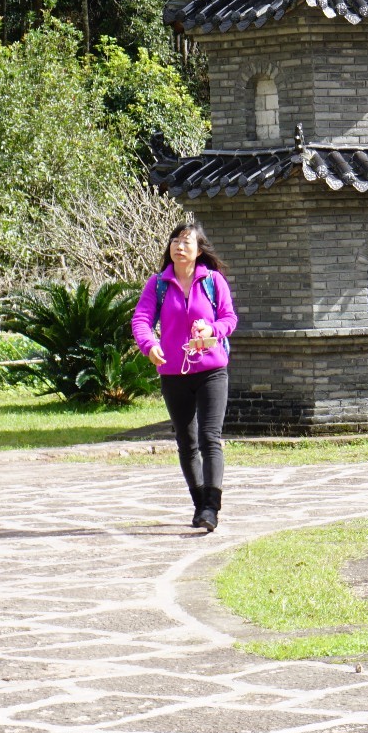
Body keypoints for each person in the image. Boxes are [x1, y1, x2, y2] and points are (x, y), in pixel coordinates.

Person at [132, 224, 238, 530]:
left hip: (211, 371)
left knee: (209, 438)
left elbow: (229, 318)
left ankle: (211, 508)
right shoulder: (158, 285)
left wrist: (212, 330)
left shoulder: (213, 281)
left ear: (199, 249)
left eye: (186, 241)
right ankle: (199, 505)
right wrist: (149, 345)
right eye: (175, 240)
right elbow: (141, 319)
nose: (179, 246)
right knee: (187, 441)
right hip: (174, 374)